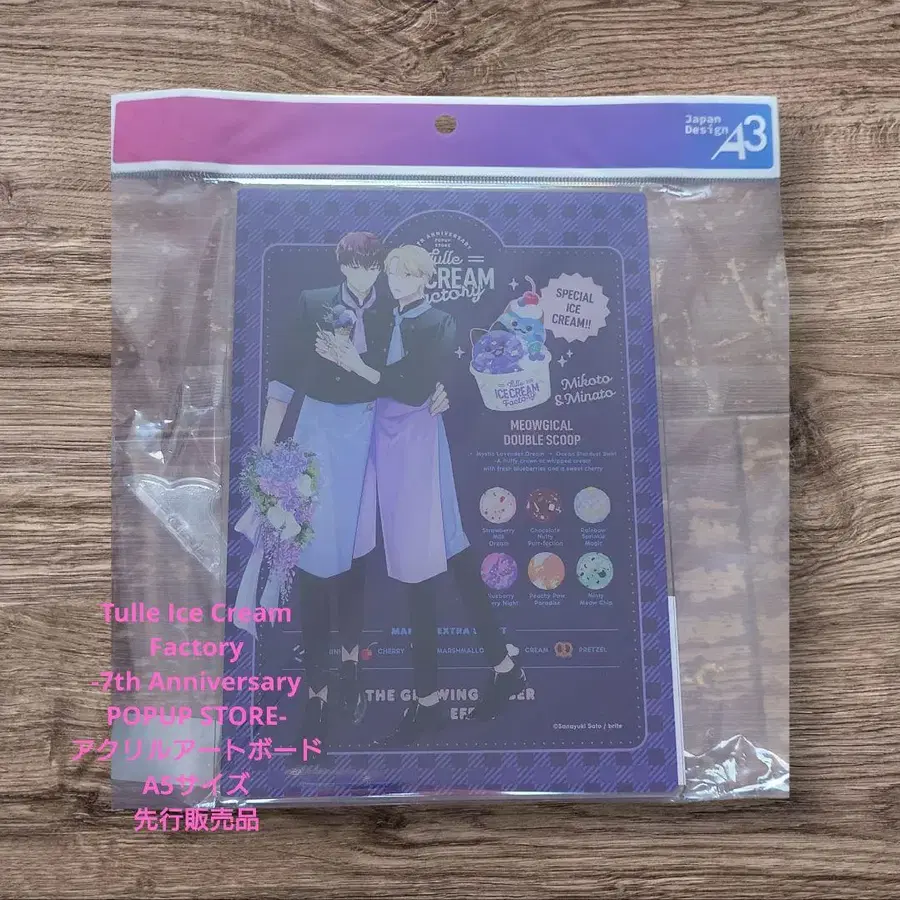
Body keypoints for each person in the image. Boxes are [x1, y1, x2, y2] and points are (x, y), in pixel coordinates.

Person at [239, 232, 449, 758]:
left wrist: (441, 390)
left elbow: (412, 374)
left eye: (370, 265)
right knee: (314, 560)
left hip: (370, 433)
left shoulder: (393, 312)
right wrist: (266, 448)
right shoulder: (312, 302)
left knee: (356, 556)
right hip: (316, 432)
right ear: (340, 265)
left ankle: (351, 665)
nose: (362, 274)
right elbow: (284, 374)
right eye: (354, 265)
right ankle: (317, 692)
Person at [316, 244, 525, 748]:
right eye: (392, 271)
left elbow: (414, 386)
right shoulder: (381, 318)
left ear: (426, 278)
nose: (397, 280)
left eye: (407, 273)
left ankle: (431, 700)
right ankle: (502, 668)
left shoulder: (440, 322)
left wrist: (365, 369)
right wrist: (348, 364)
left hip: (416, 444)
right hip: (379, 439)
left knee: (423, 562)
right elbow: (381, 378)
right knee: (446, 552)